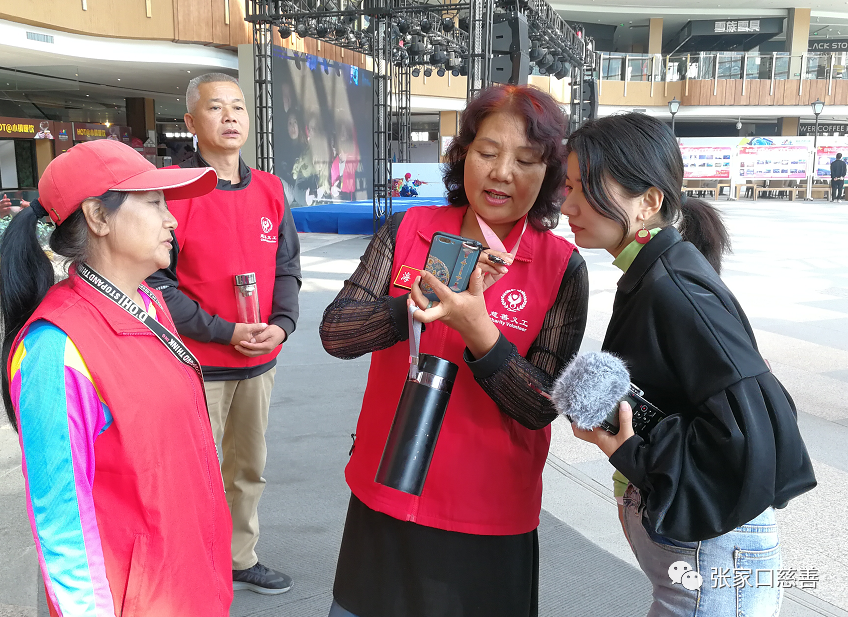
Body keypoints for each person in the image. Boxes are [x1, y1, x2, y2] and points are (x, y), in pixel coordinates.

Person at [319, 84, 588, 617]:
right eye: (487, 152)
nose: (502, 173)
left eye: (526, 160)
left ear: (549, 173)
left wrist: (479, 331)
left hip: (488, 513)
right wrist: (411, 305)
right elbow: (338, 333)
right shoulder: (410, 229)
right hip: (387, 493)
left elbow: (541, 405)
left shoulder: (560, 265)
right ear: (463, 153)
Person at [561, 112, 817, 617]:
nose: (568, 205)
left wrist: (633, 452)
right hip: (697, 545)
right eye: (567, 188)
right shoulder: (652, 272)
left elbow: (753, 433)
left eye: (585, 189)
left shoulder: (672, 288)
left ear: (649, 201)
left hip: (716, 551)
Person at [0, 139, 233, 617]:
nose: (171, 220)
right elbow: (62, 525)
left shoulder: (149, 302)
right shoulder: (56, 348)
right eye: (154, 203)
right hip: (139, 599)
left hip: (188, 577)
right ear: (98, 217)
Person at [147, 72, 301, 595]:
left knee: (247, 469)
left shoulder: (270, 190)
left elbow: (287, 268)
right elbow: (158, 285)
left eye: (238, 106)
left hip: (258, 361)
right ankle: (187, 566)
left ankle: (239, 558)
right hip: (196, 364)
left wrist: (281, 327)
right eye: (216, 107)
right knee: (191, 472)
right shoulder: (169, 192)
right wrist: (224, 331)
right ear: (191, 122)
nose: (230, 116)